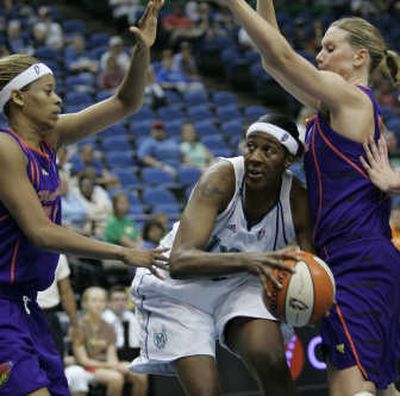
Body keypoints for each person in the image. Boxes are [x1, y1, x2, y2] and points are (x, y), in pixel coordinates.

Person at [223, 0, 400, 394]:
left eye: (329, 47)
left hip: (359, 258)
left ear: (359, 57)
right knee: (374, 386)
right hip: (351, 259)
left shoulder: (350, 97)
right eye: (319, 48)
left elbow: (281, 54)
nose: (319, 55)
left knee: (349, 388)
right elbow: (274, 61)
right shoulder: (334, 107)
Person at [0, 1, 166, 395]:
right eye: (48, 91)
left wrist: (142, 51)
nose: (59, 100)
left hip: (27, 304)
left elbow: (125, 103)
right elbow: (41, 233)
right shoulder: (6, 148)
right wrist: (123, 253)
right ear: (19, 99)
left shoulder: (49, 138)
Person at [130, 113, 314, 396]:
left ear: (287, 160)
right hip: (179, 291)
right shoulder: (221, 177)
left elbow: (310, 269)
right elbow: (179, 261)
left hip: (241, 284)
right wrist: (249, 260)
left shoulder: (297, 200)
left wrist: (310, 299)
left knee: (272, 360)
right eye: (251, 146)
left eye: (269, 150)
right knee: (206, 392)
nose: (255, 157)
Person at [73, 287, 148, 396]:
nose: (98, 304)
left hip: (106, 366)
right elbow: (83, 360)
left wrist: (117, 365)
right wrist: (112, 366)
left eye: (102, 301)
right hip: (86, 368)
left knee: (141, 375)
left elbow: (111, 356)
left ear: (106, 304)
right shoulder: (78, 327)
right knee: (116, 379)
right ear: (84, 304)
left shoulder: (109, 327)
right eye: (94, 301)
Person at [102, 285, 142, 361]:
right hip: (110, 354)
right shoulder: (104, 319)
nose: (120, 303)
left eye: (123, 300)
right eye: (116, 300)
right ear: (108, 303)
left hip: (130, 352)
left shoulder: (130, 316)